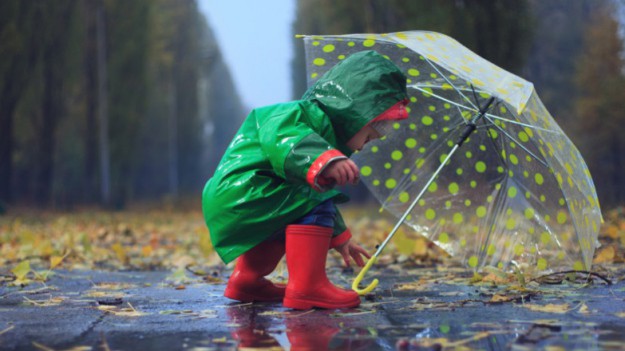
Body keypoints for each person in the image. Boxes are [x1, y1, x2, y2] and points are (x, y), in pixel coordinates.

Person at [202, 50, 409, 310]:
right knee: (309, 195)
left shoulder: (321, 129)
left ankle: (246, 280)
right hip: (247, 192)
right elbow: (284, 139)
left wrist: (341, 237)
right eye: (371, 133)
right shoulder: (302, 116)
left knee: (294, 205)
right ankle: (307, 287)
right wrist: (326, 159)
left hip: (247, 197)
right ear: (356, 111)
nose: (372, 141)